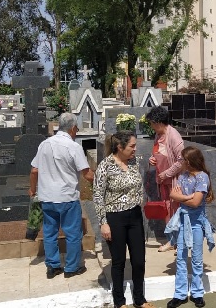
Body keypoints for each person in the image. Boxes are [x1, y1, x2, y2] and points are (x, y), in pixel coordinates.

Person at [94, 130, 155, 308]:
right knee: (119, 261)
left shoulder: (134, 162)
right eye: (132, 146)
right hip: (115, 218)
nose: (135, 149)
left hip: (135, 216)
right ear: (120, 147)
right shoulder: (105, 166)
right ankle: (119, 302)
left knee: (139, 260)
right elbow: (97, 195)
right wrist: (103, 223)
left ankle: (139, 299)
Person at [29, 112, 93, 279]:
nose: (76, 131)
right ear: (72, 128)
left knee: (50, 233)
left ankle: (52, 266)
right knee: (73, 234)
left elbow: (34, 170)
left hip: (47, 197)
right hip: (67, 197)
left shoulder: (44, 144)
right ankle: (71, 267)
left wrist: (32, 189)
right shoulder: (73, 147)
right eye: (76, 129)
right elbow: (87, 174)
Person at [165, 147, 216, 308]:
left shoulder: (202, 177)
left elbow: (195, 203)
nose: (180, 162)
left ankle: (197, 293)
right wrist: (188, 196)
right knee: (180, 257)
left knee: (196, 259)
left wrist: (181, 198)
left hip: (196, 224)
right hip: (183, 222)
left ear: (189, 161)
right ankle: (180, 294)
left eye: (182, 160)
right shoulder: (183, 176)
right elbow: (173, 195)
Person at [147, 105, 185, 252]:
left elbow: (182, 160)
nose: (151, 126)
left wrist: (167, 173)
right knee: (167, 210)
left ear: (158, 122)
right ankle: (172, 240)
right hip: (162, 180)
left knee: (176, 210)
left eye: (152, 123)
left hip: (174, 180)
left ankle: (179, 241)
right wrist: (152, 159)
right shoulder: (158, 135)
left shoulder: (174, 136)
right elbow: (158, 153)